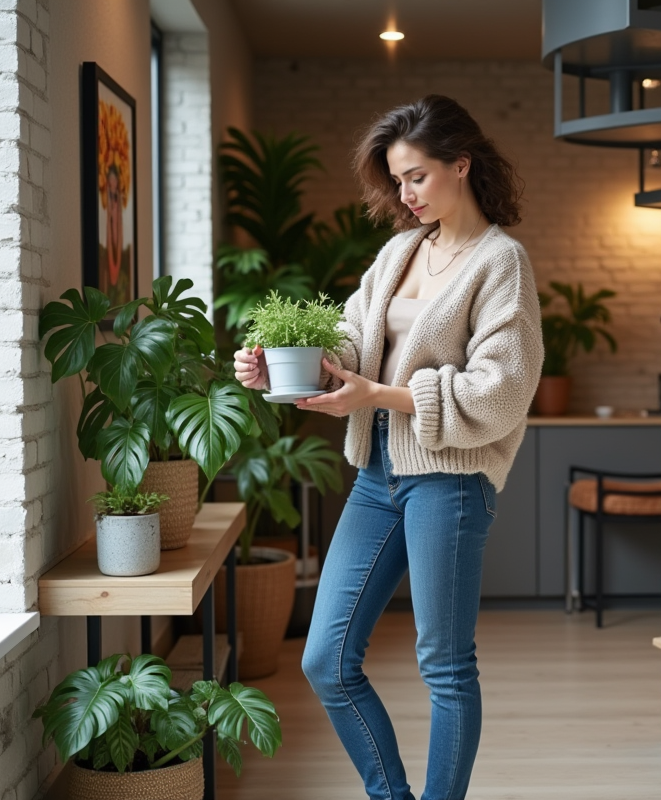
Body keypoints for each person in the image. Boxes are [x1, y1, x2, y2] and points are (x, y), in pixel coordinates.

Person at [233, 94, 543, 800]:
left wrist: (379, 397)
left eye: (417, 177)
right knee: (326, 660)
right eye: (397, 180)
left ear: (461, 165)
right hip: (377, 473)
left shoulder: (501, 263)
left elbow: (500, 391)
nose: (404, 195)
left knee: (444, 666)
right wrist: (280, 360)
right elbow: (353, 339)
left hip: (449, 482)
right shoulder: (401, 250)